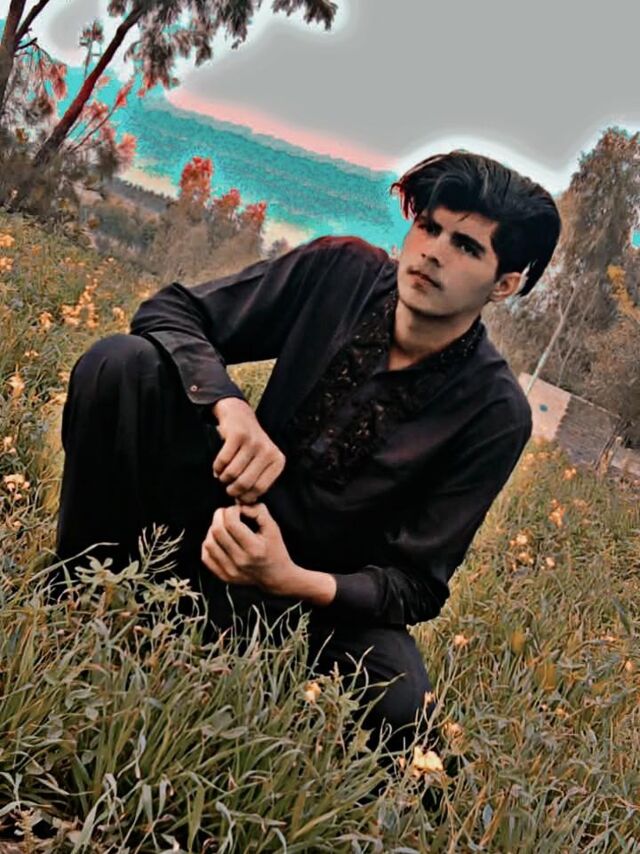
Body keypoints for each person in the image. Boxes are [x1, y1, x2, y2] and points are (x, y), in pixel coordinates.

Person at [54, 149, 561, 771]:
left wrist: (289, 577)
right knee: (121, 365)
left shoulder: (495, 412)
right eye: (428, 227)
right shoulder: (340, 272)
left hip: (310, 605)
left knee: (401, 706)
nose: (432, 252)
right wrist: (228, 406)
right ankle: (77, 596)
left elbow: (415, 585)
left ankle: (242, 676)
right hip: (212, 526)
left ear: (504, 284)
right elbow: (171, 311)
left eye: (466, 246)